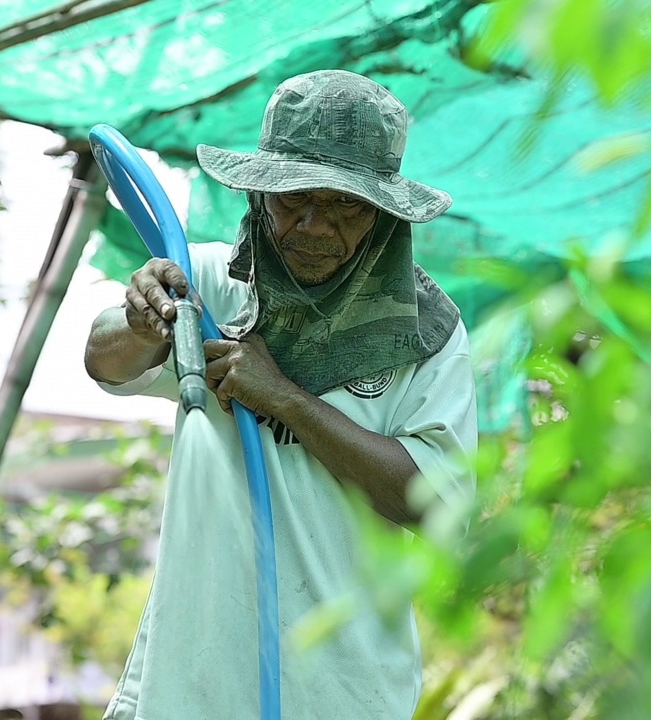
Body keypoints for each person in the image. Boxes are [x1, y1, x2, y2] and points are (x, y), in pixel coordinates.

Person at [84, 69, 477, 719]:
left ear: (383, 211)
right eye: (293, 198)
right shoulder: (210, 282)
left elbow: (435, 503)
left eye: (345, 203)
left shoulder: (427, 334)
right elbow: (104, 361)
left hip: (343, 695)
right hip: (188, 684)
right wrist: (136, 319)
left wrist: (287, 398)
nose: (314, 226)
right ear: (259, 193)